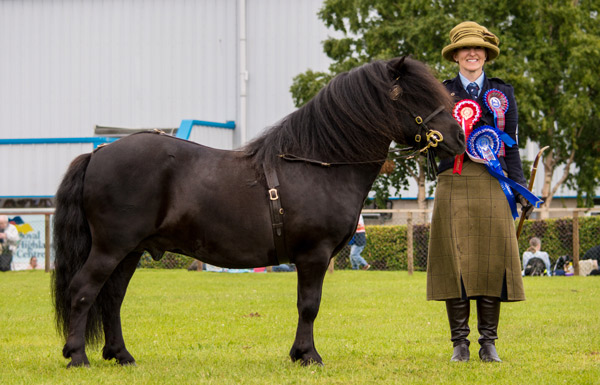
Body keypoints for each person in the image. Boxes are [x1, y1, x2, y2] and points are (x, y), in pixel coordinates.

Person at [427, 21, 533, 363]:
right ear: (456, 55)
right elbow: (430, 147)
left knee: (491, 264)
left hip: (494, 184)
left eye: (478, 48)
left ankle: (489, 343)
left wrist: (520, 189)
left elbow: (512, 147)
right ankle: (460, 343)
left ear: (485, 54)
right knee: (453, 264)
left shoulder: (505, 94)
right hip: (453, 182)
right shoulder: (439, 93)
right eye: (465, 48)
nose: (472, 53)